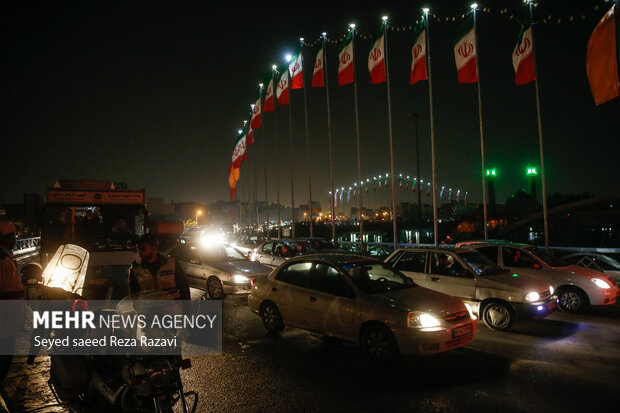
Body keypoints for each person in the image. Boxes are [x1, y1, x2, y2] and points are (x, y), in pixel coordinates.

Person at [0, 219, 24, 388]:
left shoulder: (7, 256)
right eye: (12, 235)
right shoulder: (1, 260)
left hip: (10, 319)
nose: (15, 238)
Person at [129, 234, 190, 300]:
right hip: (149, 309)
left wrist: (186, 308)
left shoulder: (172, 264)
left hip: (172, 308)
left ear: (154, 249)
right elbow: (134, 295)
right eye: (138, 249)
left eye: (143, 248)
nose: (140, 252)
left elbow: (184, 288)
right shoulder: (136, 270)